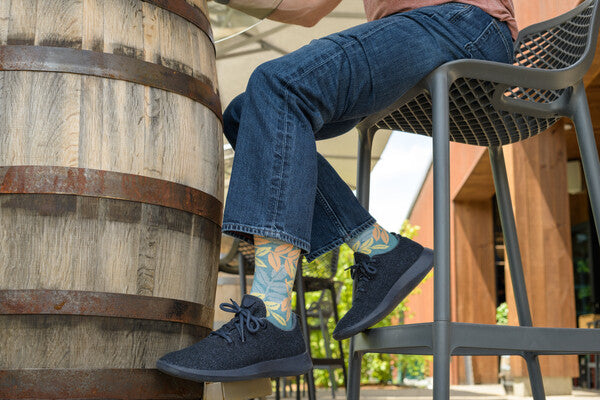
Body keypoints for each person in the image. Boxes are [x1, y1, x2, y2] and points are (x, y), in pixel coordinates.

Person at [156, 0, 517, 382]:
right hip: (419, 34)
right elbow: (307, 8)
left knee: (279, 85)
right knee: (248, 115)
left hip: (464, 23)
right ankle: (379, 247)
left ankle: (271, 313)